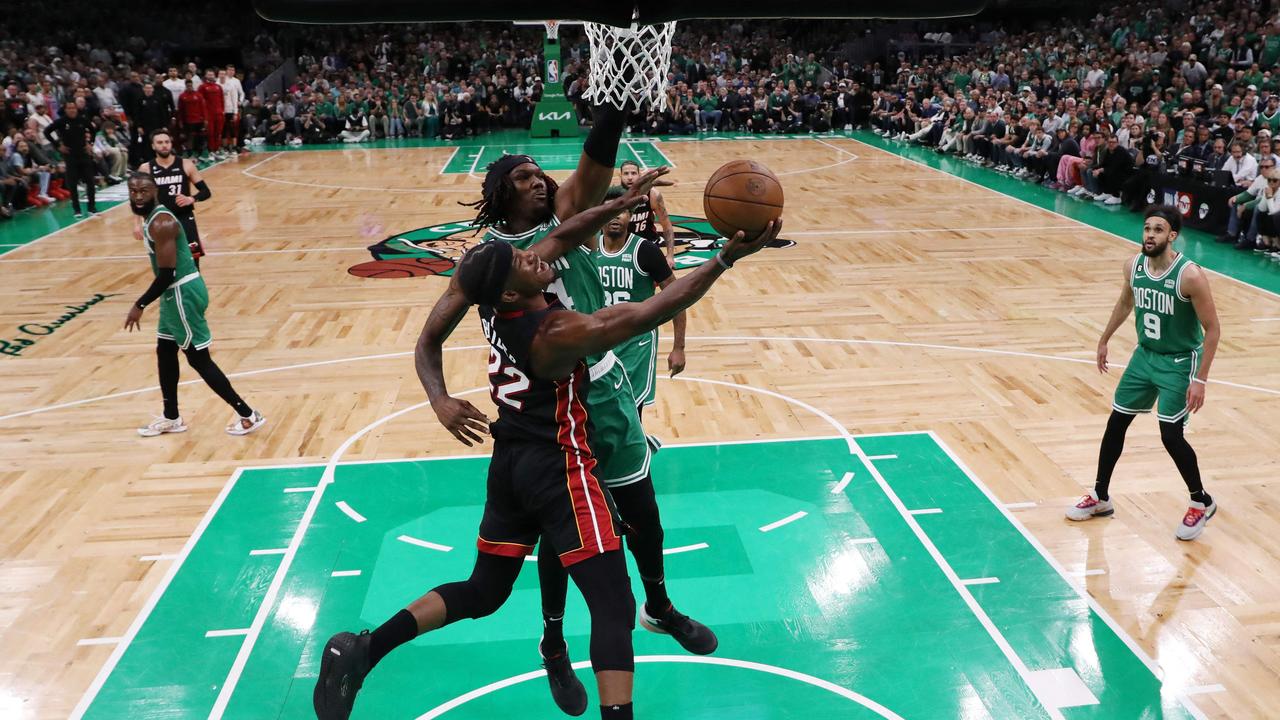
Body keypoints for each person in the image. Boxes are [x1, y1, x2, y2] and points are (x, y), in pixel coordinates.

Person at [315, 199, 781, 720]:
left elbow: (557, 241)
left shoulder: (494, 295)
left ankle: (363, 649)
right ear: (514, 290)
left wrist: (619, 204)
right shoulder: (554, 333)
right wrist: (724, 260)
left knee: (482, 590)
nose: (537, 257)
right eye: (524, 261)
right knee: (612, 605)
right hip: (560, 467)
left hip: (509, 461)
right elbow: (651, 309)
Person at [415, 101, 714, 715]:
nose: (541, 180)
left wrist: (617, 104)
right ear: (502, 195)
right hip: (547, 407)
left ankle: (658, 607)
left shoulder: (566, 212)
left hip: (603, 387)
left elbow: (593, 166)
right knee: (562, 534)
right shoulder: (485, 265)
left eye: (538, 173)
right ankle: (553, 641)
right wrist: (439, 398)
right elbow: (429, 338)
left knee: (642, 511)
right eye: (526, 177)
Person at [1067, 205, 1221, 541]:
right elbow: (1125, 303)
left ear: (1172, 236)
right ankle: (1101, 496)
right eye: (1147, 228)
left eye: (1158, 230)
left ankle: (1201, 501)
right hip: (1144, 356)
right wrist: (1104, 339)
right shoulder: (1133, 266)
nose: (1150, 235)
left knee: (1170, 435)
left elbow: (1212, 330)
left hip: (1180, 362)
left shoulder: (1190, 275)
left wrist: (1201, 379)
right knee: (1116, 422)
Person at [122, 173, 265, 437]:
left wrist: (140, 304)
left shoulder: (162, 222)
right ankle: (171, 417)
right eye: (133, 191)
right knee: (165, 351)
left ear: (154, 190)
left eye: (143, 190)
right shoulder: (152, 218)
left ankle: (247, 414)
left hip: (181, 293)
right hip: (174, 293)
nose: (138, 196)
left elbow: (166, 274)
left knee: (199, 359)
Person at [593, 186, 687, 417]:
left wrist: (679, 347)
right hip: (596, 340)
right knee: (594, 413)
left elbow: (676, 298)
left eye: (622, 211)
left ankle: (634, 451)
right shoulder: (588, 247)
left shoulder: (645, 251)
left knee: (629, 413)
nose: (616, 216)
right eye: (610, 210)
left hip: (636, 344)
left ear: (631, 215)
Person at [137, 129, 211, 265]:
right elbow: (138, 199)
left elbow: (206, 191)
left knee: (193, 259)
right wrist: (137, 224)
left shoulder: (186, 164)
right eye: (160, 142)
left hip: (184, 216)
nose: (164, 145)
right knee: (166, 263)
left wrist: (191, 199)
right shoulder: (146, 168)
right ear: (153, 146)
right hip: (159, 220)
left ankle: (194, 285)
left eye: (167, 142)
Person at [616, 160, 676, 267]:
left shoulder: (653, 195)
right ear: (620, 176)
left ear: (640, 175)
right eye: (626, 173)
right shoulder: (614, 196)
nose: (630, 177)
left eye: (633, 173)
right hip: (621, 246)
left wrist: (670, 256)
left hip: (648, 244)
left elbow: (667, 226)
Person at [42, 103, 97, 218]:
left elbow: (93, 130)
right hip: (70, 155)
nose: (72, 110)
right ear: (65, 110)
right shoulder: (61, 121)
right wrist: (58, 145)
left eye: (73, 108)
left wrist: (90, 143)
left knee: (90, 182)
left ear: (76, 109)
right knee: (72, 184)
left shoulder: (82, 120)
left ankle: (92, 207)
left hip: (83, 154)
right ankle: (76, 209)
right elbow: (47, 132)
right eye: (69, 108)